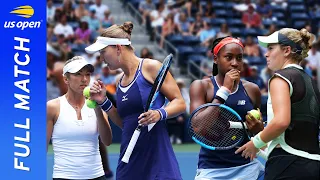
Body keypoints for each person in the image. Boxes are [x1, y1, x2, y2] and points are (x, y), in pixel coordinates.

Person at [84, 21, 186, 179]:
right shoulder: (119, 81)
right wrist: (103, 101)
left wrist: (159, 113)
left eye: (103, 52)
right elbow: (125, 123)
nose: (101, 58)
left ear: (118, 48)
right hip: (129, 161)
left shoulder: (151, 67)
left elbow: (180, 103)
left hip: (158, 160)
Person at [236, 28, 320, 179]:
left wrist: (255, 143)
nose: (266, 54)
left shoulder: (280, 78)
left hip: (287, 165)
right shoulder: (312, 82)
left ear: (287, 50)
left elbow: (282, 122)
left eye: (270, 48)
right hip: (314, 164)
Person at [189, 36, 265, 179]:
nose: (235, 63)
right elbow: (197, 127)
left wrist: (258, 131)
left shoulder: (252, 89)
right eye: (228, 57)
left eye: (239, 58)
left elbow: (256, 134)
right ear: (216, 59)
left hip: (248, 168)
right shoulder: (201, 86)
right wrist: (224, 90)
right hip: (211, 170)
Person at [47, 56, 112, 180]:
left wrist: (98, 109)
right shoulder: (52, 107)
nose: (84, 79)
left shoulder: (99, 104)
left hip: (97, 175)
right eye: (78, 74)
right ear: (66, 79)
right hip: (63, 176)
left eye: (87, 74)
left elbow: (107, 141)